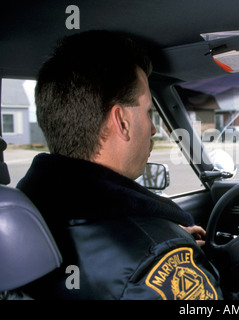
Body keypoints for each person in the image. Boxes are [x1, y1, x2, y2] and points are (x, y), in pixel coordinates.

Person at [17, 30, 222, 300]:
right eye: (149, 112)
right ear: (122, 122)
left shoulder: (25, 219)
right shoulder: (160, 266)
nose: (153, 130)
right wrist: (163, 245)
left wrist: (165, 236)